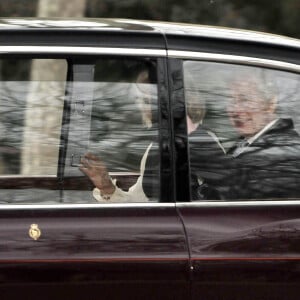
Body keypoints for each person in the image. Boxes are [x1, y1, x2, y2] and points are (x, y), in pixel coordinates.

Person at [226, 74, 300, 200]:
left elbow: (236, 197)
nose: (235, 110)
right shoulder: (247, 142)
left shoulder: (282, 150)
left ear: (271, 104)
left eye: (245, 100)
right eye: (231, 101)